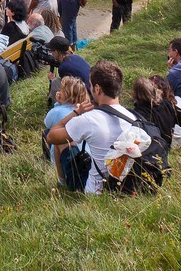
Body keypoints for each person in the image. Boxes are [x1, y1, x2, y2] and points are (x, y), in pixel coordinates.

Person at [46, 60, 137, 195]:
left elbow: (51, 136)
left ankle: (62, 183)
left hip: (95, 190)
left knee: (64, 141)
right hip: (123, 186)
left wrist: (75, 113)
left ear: (97, 89)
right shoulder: (133, 118)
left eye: (91, 85)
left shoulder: (89, 119)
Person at [42, 75, 89, 166]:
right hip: (86, 155)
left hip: (68, 156)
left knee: (47, 132)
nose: (59, 91)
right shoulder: (85, 111)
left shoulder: (58, 112)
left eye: (62, 89)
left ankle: (50, 161)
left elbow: (47, 122)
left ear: (67, 94)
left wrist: (58, 103)